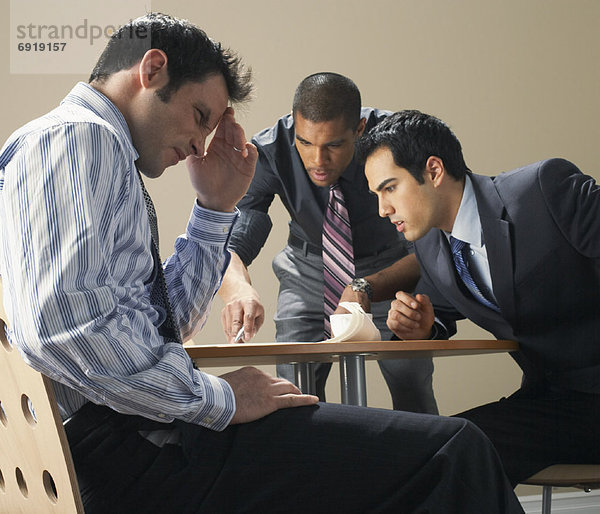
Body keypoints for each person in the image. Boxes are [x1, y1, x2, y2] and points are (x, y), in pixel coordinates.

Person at [0, 14, 524, 512]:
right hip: (136, 451)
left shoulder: (85, 151)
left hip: (139, 440)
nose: (199, 143)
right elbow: (65, 328)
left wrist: (214, 208)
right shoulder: (80, 139)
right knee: (455, 451)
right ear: (152, 70)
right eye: (200, 116)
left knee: (412, 454)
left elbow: (161, 328)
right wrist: (219, 399)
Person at [357, 109, 600, 486]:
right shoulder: (433, 248)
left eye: (389, 188)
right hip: (554, 405)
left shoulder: (544, 189)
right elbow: (437, 313)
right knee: (436, 446)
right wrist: (421, 328)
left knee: (453, 453)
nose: (382, 209)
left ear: (434, 171)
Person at [219, 72, 437, 413]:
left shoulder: (398, 142)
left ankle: (427, 463)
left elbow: (431, 243)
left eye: (333, 145)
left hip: (390, 270)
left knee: (410, 379)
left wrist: (368, 287)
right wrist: (239, 288)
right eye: (305, 143)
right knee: (293, 387)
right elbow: (235, 236)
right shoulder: (270, 149)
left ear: (360, 129)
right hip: (308, 269)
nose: (318, 161)